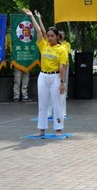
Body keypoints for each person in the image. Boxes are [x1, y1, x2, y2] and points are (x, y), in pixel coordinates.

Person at [24, 8, 68, 137]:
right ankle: (42, 129)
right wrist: (33, 17)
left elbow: (62, 67)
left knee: (57, 104)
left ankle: (58, 129)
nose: (49, 38)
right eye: (48, 36)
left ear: (57, 37)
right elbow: (39, 31)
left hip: (55, 77)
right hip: (43, 76)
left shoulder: (62, 50)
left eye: (52, 36)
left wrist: (62, 82)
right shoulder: (44, 45)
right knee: (42, 104)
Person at [58, 30, 71, 117]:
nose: (62, 35)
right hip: (56, 65)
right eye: (60, 34)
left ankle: (64, 95)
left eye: (63, 34)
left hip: (65, 64)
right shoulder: (55, 44)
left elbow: (67, 52)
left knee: (64, 80)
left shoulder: (67, 44)